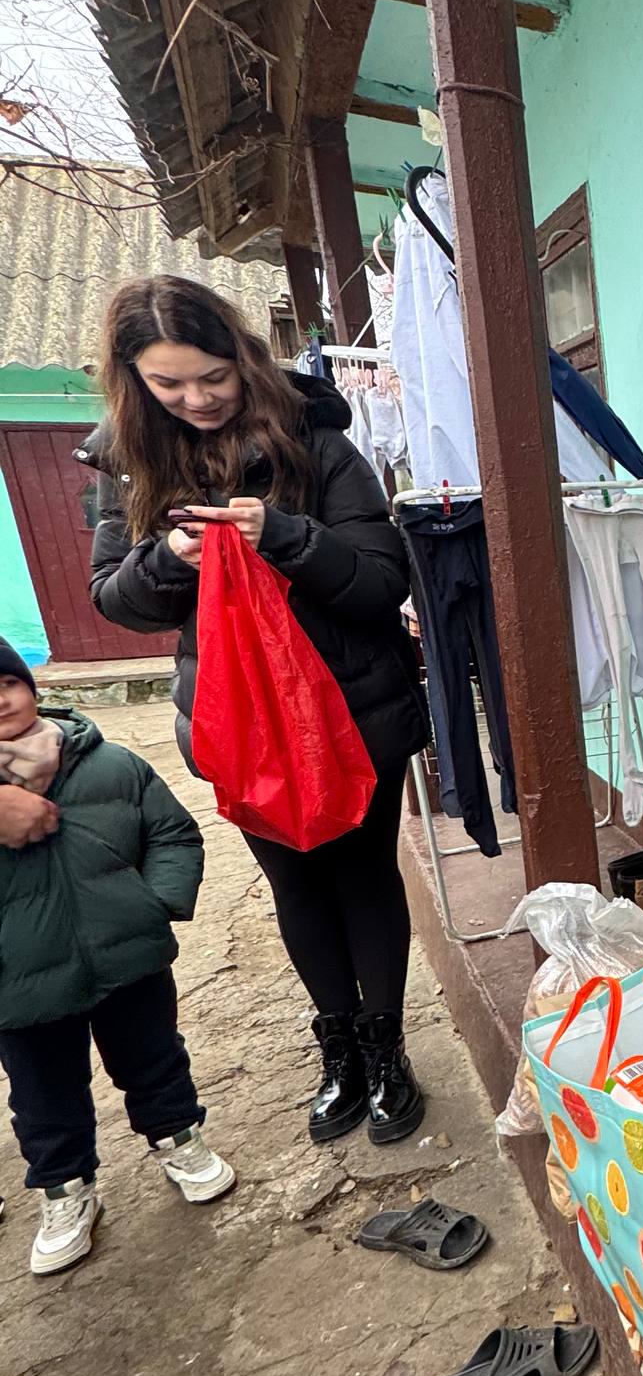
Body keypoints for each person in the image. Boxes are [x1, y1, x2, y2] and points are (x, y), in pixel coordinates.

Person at [86, 276, 431, 1147]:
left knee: (362, 877)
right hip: (240, 720)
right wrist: (169, 557)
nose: (196, 399)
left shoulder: (314, 439)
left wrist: (283, 535)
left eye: (212, 377)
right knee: (296, 887)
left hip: (353, 709)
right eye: (169, 384)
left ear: (240, 357)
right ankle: (340, 1050)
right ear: (135, 381)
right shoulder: (125, 460)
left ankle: (389, 1050)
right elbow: (115, 600)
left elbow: (381, 581)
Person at [0, 636, 232, 1277]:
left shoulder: (111, 764)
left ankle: (179, 1141)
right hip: (21, 984)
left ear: (33, 687)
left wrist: (152, 905)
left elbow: (172, 833)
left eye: (6, 684)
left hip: (129, 959)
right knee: (43, 1093)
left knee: (154, 1059)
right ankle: (66, 1192)